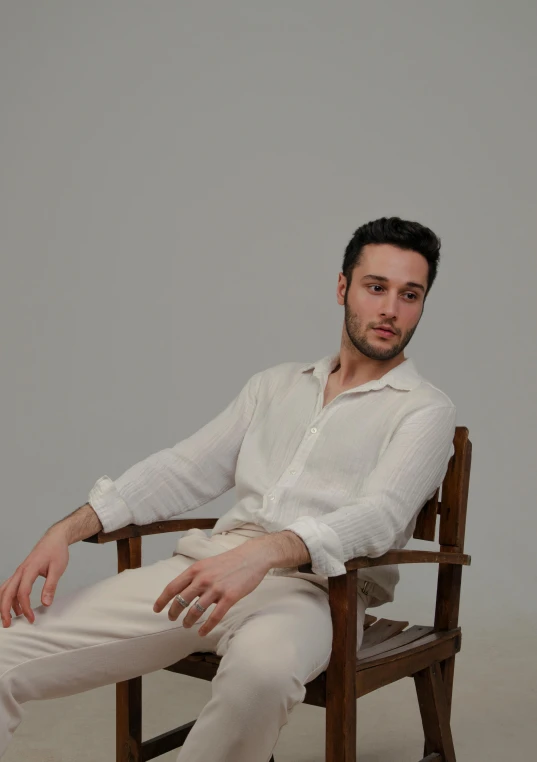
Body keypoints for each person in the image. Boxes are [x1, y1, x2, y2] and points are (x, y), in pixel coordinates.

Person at [0, 216, 457, 761]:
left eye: (410, 295)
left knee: (262, 676)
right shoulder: (274, 386)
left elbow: (381, 516)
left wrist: (264, 553)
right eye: (375, 287)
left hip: (320, 594)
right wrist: (67, 529)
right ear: (343, 288)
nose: (390, 310)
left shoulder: (424, 410)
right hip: (205, 572)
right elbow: (183, 468)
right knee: (7, 650)